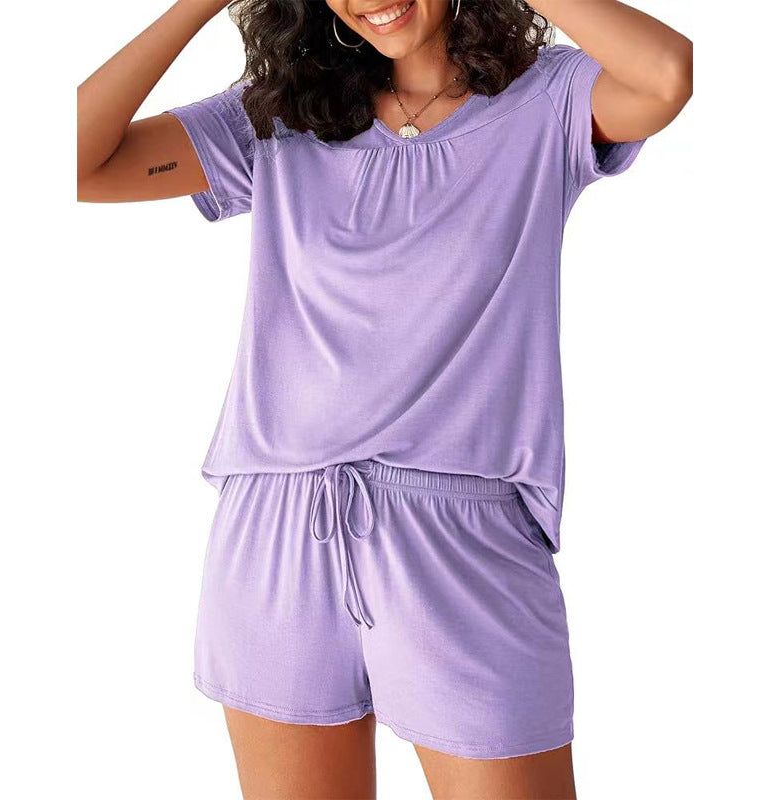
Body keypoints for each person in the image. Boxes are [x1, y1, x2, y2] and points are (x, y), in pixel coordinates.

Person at [77, 1, 692, 797]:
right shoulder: (280, 118)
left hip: (463, 538)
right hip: (278, 529)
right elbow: (70, 159)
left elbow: (666, 75)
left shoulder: (548, 102)